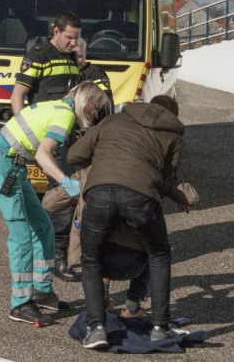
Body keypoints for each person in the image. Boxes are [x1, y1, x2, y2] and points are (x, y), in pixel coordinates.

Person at [67, 95, 191, 349]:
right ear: (173, 115)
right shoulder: (173, 136)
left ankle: (96, 329)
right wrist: (180, 195)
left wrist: (103, 157)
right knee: (159, 254)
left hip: (99, 192)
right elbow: (167, 180)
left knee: (90, 258)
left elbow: (74, 154)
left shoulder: (113, 121)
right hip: (140, 197)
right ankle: (159, 327)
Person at [0, 82, 111, 326]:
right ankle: (20, 303)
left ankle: (42, 292)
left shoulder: (56, 107)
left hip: (13, 168)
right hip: (4, 167)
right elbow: (43, 154)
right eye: (97, 107)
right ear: (88, 102)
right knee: (21, 235)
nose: (97, 112)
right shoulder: (64, 116)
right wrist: (65, 182)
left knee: (43, 227)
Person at [10, 12, 83, 282]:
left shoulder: (71, 56)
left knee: (67, 198)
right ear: (55, 31)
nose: (73, 43)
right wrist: (26, 133)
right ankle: (56, 260)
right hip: (50, 138)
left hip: (69, 134)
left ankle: (59, 253)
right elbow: (17, 96)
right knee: (61, 198)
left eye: (76, 38)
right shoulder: (38, 55)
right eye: (69, 38)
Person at [75, 38, 113, 105]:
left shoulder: (97, 75)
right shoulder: (64, 72)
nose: (77, 60)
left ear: (85, 53)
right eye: (74, 56)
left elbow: (107, 103)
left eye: (80, 56)